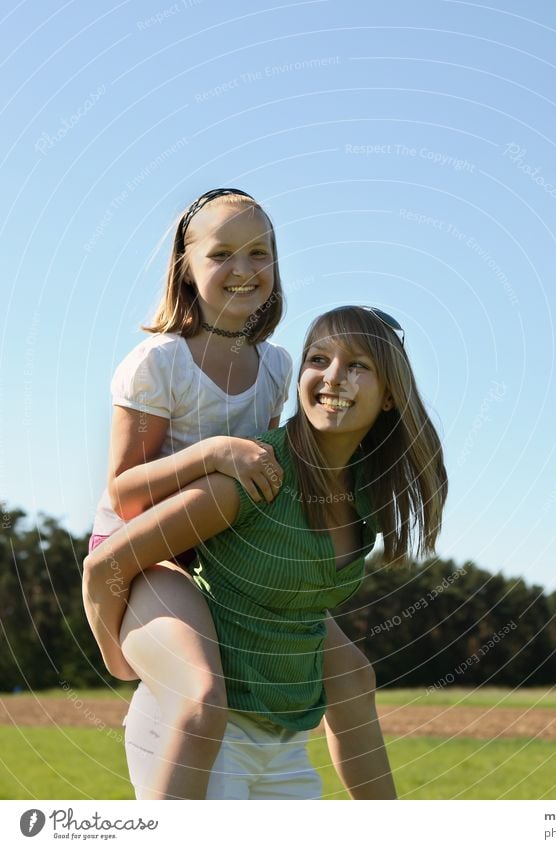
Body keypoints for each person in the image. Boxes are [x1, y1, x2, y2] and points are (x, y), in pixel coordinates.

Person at [87, 189, 394, 799]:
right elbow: (123, 492)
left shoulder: (278, 366)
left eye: (260, 253)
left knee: (352, 674)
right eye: (222, 253)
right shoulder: (159, 363)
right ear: (186, 266)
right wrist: (212, 453)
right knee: (201, 694)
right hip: (153, 552)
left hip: (223, 546)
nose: (244, 269)